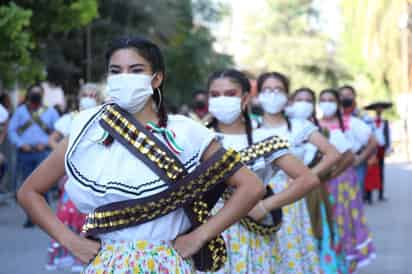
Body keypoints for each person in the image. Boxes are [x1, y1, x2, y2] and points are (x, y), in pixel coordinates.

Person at [17, 36, 266, 274]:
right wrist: (71, 242)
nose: (125, 78)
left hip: (167, 262)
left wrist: (199, 236)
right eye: (116, 71)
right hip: (108, 262)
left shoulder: (187, 131)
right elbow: (29, 192)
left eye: (136, 70)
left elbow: (251, 186)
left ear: (156, 79)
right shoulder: (87, 131)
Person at [202, 69, 320, 273]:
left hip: (251, 233)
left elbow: (307, 179)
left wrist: (266, 206)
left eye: (230, 94)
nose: (222, 100)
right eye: (215, 95)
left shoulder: (263, 139)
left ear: (245, 98)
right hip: (206, 233)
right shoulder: (197, 137)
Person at [256, 72, 340, 274]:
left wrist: (306, 177)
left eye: (278, 90)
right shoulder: (250, 127)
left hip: (291, 198)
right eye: (267, 89)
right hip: (257, 198)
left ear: (287, 96)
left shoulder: (299, 126)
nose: (273, 95)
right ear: (258, 95)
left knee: (292, 252)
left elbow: (333, 154)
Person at [319, 88, 376, 272]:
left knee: (344, 217)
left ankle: (347, 257)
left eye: (331, 99)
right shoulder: (315, 124)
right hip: (321, 179)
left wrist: (358, 159)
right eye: (323, 99)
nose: (327, 103)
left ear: (337, 103)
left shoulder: (350, 122)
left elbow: (373, 141)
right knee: (325, 217)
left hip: (343, 180)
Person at [46, 83, 101, 272]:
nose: (88, 97)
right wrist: (65, 156)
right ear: (79, 96)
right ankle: (72, 255)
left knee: (92, 216)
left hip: (97, 176)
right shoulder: (69, 119)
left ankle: (93, 257)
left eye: (92, 94)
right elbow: (52, 139)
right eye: (85, 94)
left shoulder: (105, 118)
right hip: (73, 176)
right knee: (70, 211)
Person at [8, 83, 60, 228]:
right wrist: (20, 144)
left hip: (43, 152)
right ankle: (31, 217)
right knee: (27, 186)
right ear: (28, 94)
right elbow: (12, 131)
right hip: (25, 153)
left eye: (38, 93)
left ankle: (47, 217)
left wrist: (46, 143)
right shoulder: (20, 112)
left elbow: (58, 131)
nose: (35, 95)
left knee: (44, 186)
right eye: (33, 92)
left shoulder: (50, 112)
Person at [338, 85, 378, 198]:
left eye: (348, 95)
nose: (345, 98)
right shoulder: (333, 117)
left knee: (355, 195)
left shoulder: (363, 117)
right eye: (342, 95)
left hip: (357, 160)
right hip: (338, 162)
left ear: (354, 97)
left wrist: (363, 157)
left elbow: (373, 140)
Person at [364, 105, 391, 202]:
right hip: (372, 148)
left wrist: (388, 147)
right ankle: (368, 195)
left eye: (381, 108)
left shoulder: (385, 122)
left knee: (381, 171)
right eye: (377, 109)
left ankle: (381, 194)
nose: (379, 110)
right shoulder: (369, 121)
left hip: (381, 148)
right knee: (370, 171)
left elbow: (387, 135)